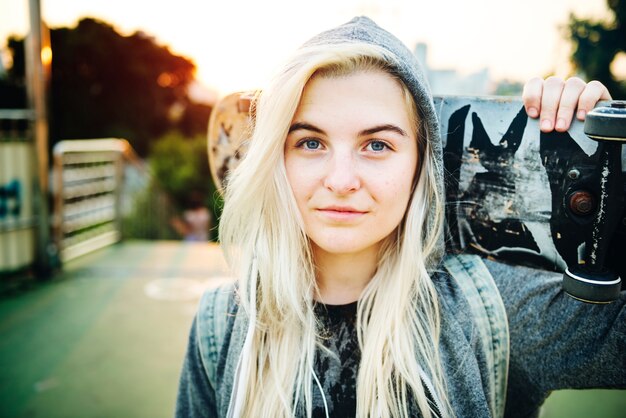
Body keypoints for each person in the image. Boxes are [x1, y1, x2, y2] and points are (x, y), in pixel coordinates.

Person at [175, 17, 622, 418]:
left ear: (420, 166)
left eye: (377, 145)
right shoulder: (223, 321)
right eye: (310, 143)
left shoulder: (494, 308)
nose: (341, 180)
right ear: (277, 157)